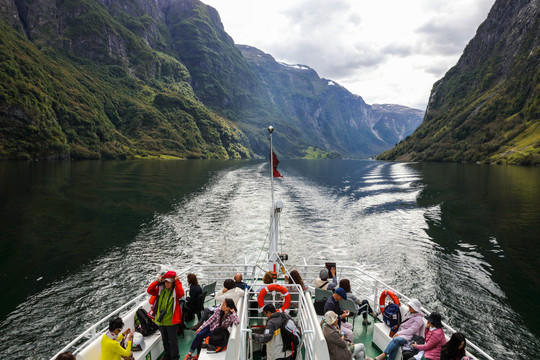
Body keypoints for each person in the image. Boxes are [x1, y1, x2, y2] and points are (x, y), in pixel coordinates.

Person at [147, 271, 185, 360]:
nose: (167, 284)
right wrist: (157, 281)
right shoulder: (160, 290)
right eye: (166, 282)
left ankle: (175, 357)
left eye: (169, 282)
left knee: (173, 341)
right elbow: (149, 290)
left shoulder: (175, 292)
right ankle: (167, 356)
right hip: (161, 320)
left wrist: (178, 281)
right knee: (165, 341)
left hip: (171, 321)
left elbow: (181, 293)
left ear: (173, 283)